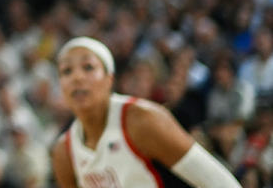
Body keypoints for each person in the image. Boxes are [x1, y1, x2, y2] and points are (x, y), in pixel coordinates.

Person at [51, 36, 241, 188]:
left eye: (88, 67)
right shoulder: (64, 152)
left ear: (109, 79)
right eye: (66, 71)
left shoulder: (142, 119)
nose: (77, 77)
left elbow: (220, 182)